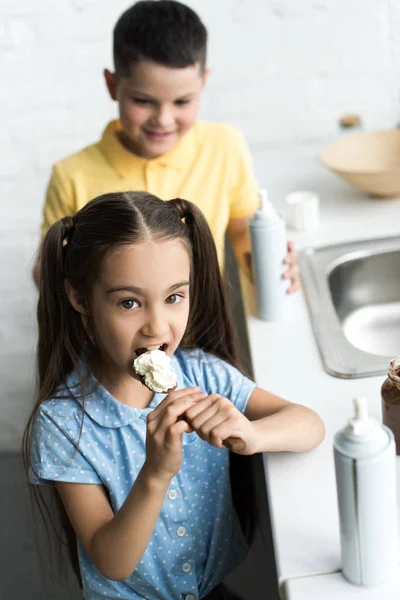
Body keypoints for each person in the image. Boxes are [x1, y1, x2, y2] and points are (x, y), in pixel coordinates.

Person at [24, 191, 324, 600]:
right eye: (129, 302)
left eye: (173, 297)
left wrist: (252, 434)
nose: (157, 326)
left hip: (209, 589)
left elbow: (310, 424)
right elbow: (111, 562)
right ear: (80, 299)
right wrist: (156, 472)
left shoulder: (202, 373)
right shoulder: (63, 423)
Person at [32, 0, 299, 291]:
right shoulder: (71, 177)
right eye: (143, 101)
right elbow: (47, 275)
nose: (163, 120)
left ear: (203, 84)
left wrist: (267, 263)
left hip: (203, 334)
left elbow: (240, 230)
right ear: (112, 85)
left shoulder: (225, 147)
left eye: (182, 101)